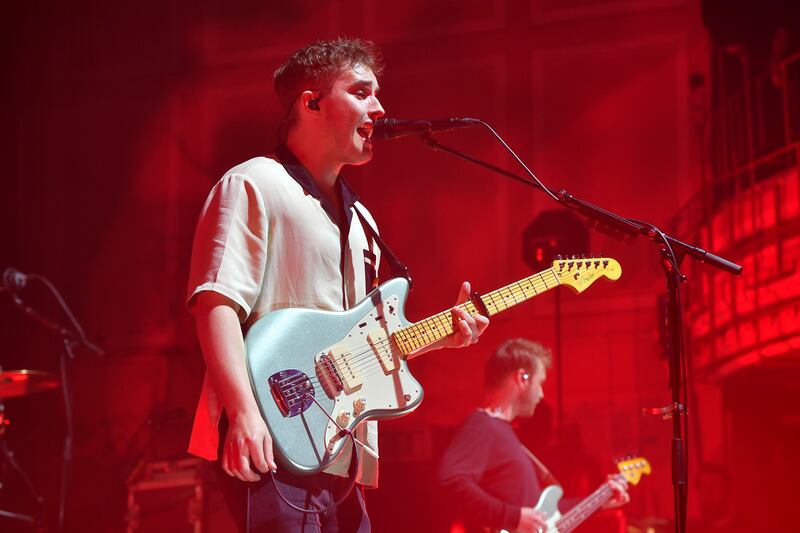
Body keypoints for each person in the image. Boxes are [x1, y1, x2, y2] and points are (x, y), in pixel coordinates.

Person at [185, 37, 489, 532]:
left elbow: (357, 346)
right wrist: (242, 414)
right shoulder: (254, 183)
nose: (380, 107)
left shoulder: (362, 220)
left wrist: (442, 337)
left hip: (342, 458)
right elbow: (216, 303)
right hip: (272, 444)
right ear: (312, 102)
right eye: (362, 91)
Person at [438, 338, 628, 533]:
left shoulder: (502, 432)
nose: (541, 394)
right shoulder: (481, 426)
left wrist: (600, 500)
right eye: (540, 383)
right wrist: (513, 518)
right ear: (523, 378)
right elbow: (452, 481)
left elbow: (542, 514)